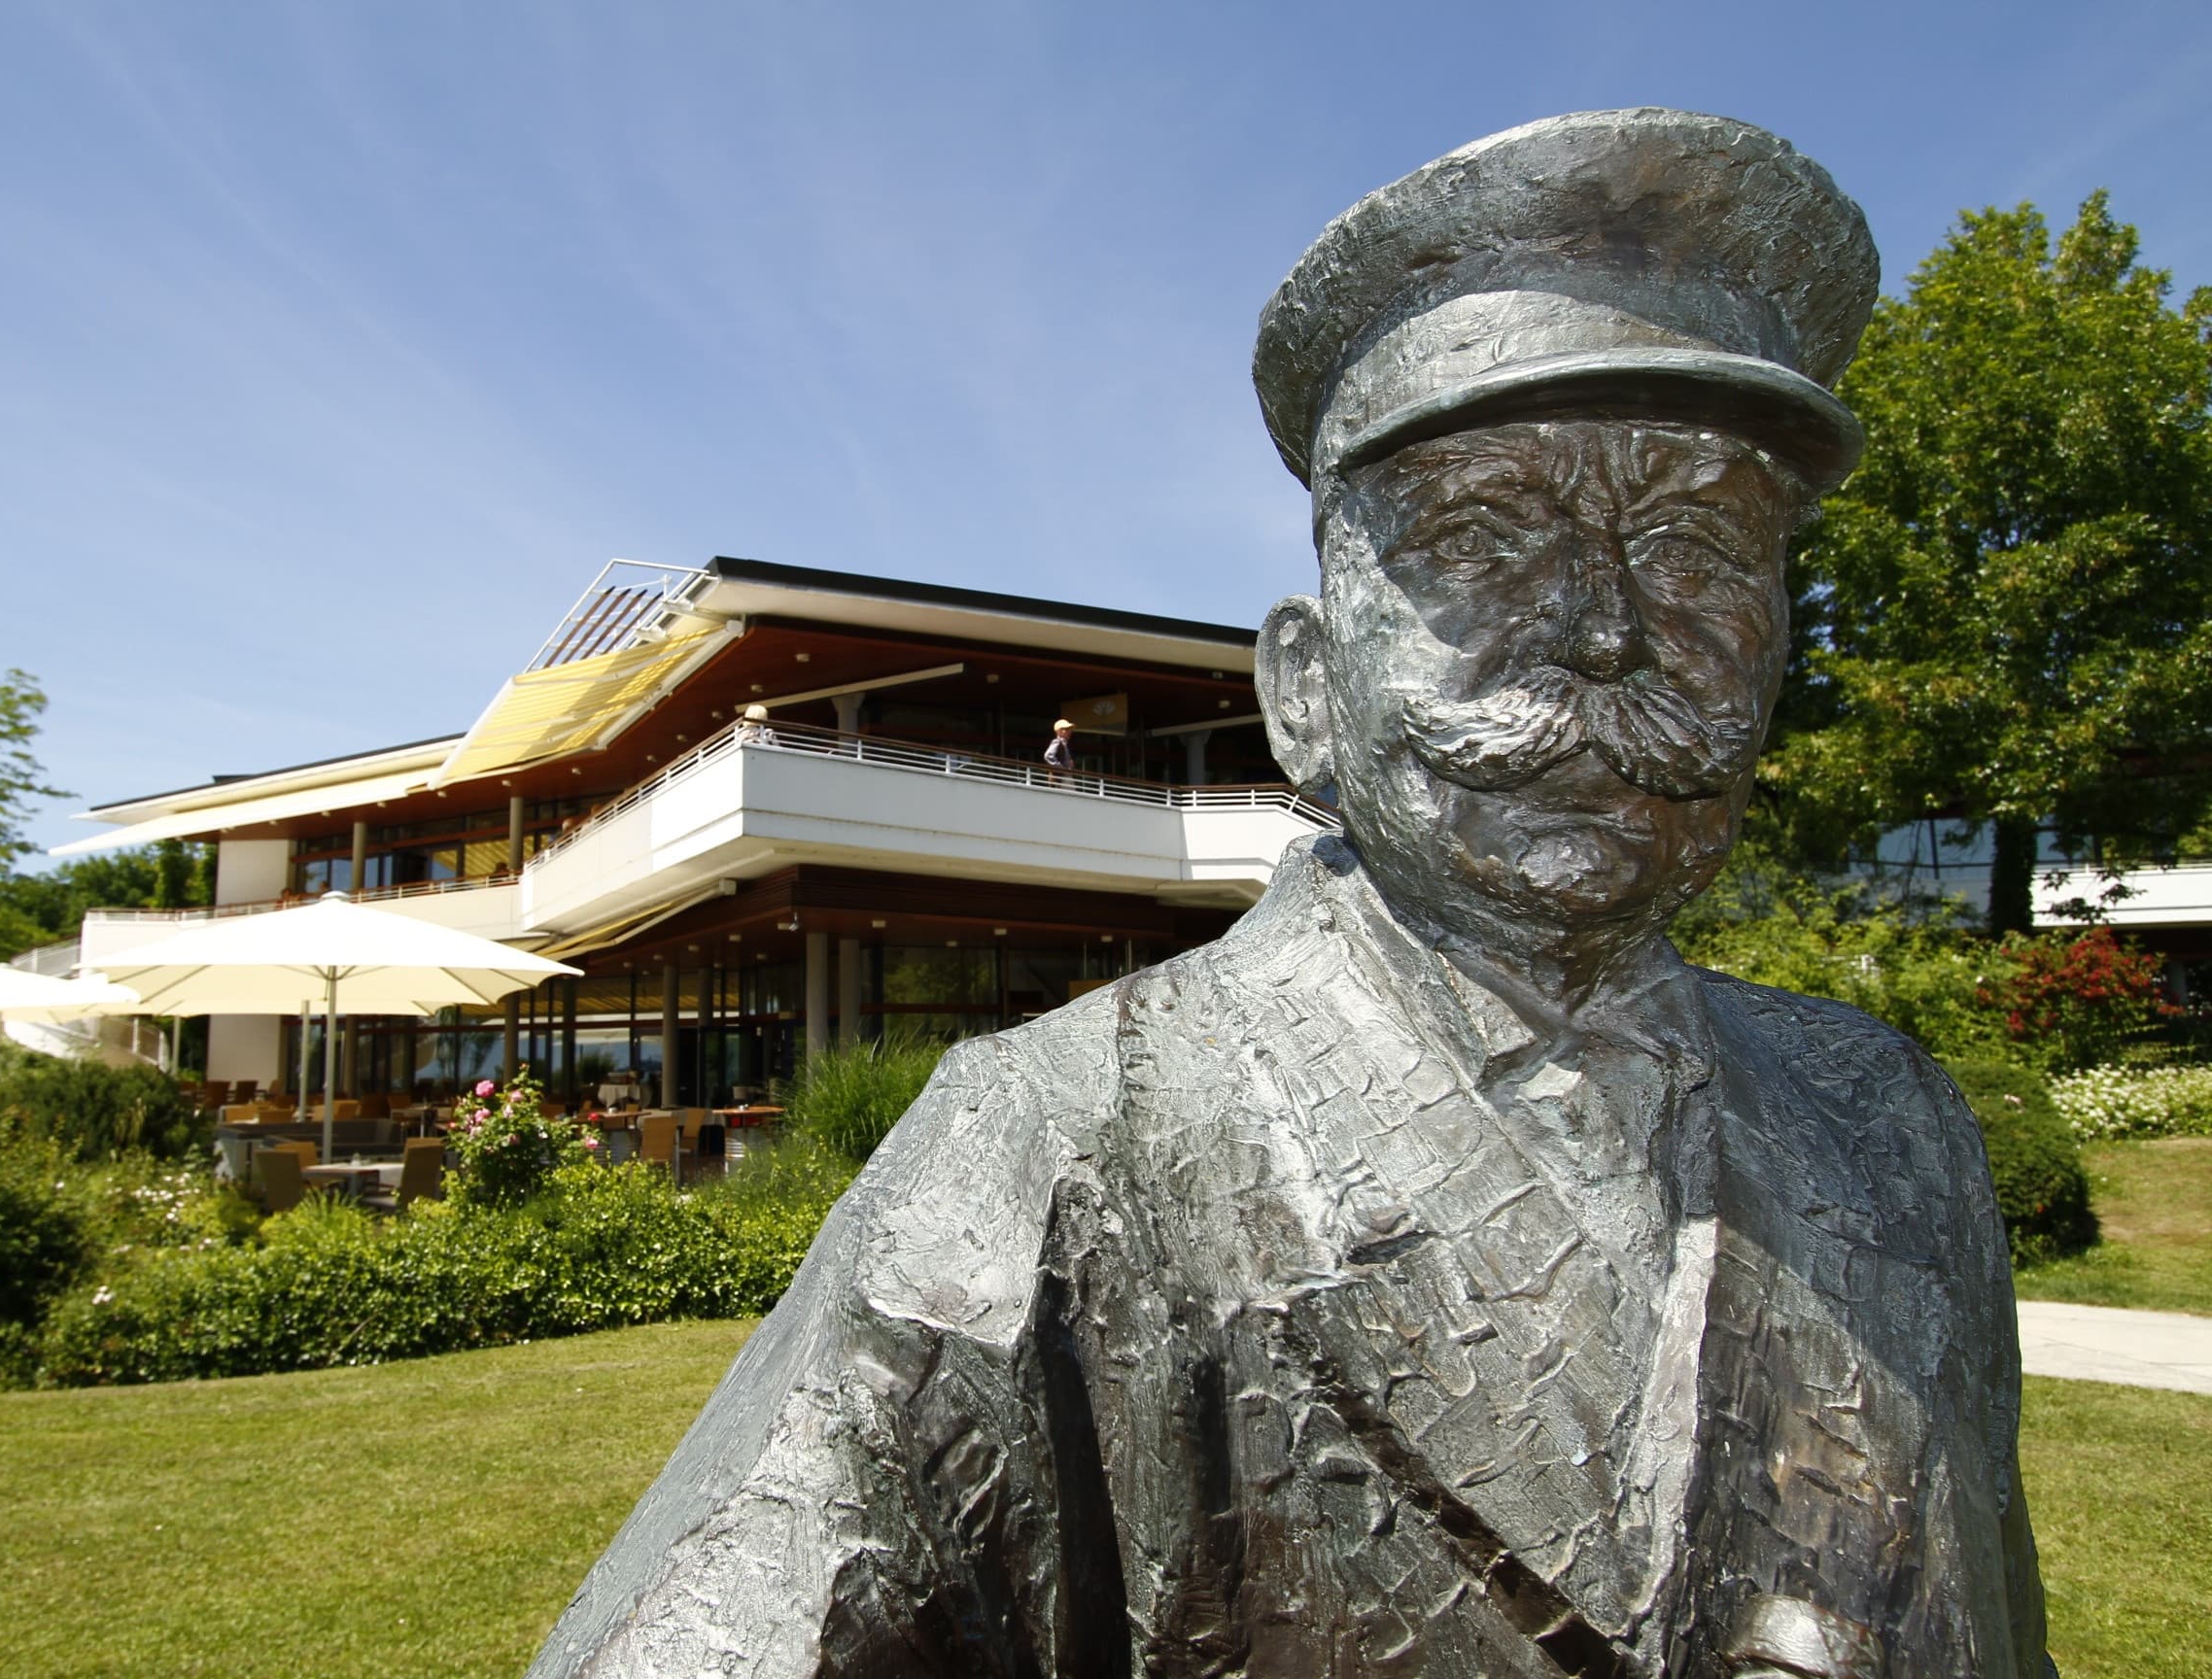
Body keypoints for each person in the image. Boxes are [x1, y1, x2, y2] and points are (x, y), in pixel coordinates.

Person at [529, 111, 2052, 1678]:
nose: (1609, 630)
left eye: (1703, 545)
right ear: (1305, 692)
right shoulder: (1045, 1151)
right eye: (1480, 537)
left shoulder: (1890, 1123)